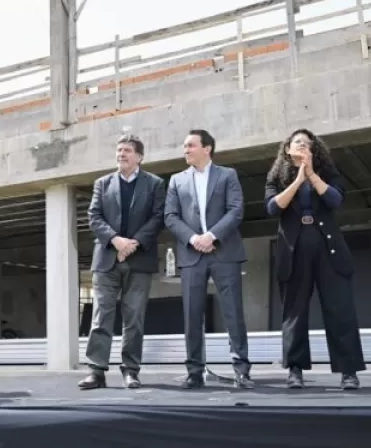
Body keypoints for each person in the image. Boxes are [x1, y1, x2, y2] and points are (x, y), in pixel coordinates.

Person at [264, 128, 365, 390]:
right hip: (294, 250)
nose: (301, 145)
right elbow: (273, 207)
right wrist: (298, 180)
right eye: (296, 142)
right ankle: (295, 370)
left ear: (314, 149)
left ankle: (348, 371)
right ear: (287, 149)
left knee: (339, 309)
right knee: (295, 312)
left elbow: (335, 200)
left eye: (307, 143)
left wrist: (311, 174)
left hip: (328, 248)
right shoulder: (277, 176)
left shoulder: (327, 173)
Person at [164, 129, 253, 389]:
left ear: (207, 148)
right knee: (192, 315)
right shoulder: (176, 180)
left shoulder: (228, 175)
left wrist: (212, 236)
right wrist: (194, 239)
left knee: (233, 312)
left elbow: (236, 210)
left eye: (190, 145)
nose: (186, 150)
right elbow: (170, 216)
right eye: (184, 146)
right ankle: (194, 371)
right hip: (192, 255)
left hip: (224, 253)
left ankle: (241, 371)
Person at [79, 134, 166, 390]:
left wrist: (133, 244)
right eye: (118, 150)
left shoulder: (155, 184)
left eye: (127, 150)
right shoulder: (102, 183)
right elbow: (94, 216)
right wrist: (116, 241)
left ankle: (131, 370)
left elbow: (158, 217)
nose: (121, 154)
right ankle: (96, 371)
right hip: (107, 259)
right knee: (101, 317)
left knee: (134, 319)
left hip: (139, 260)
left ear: (139, 156)